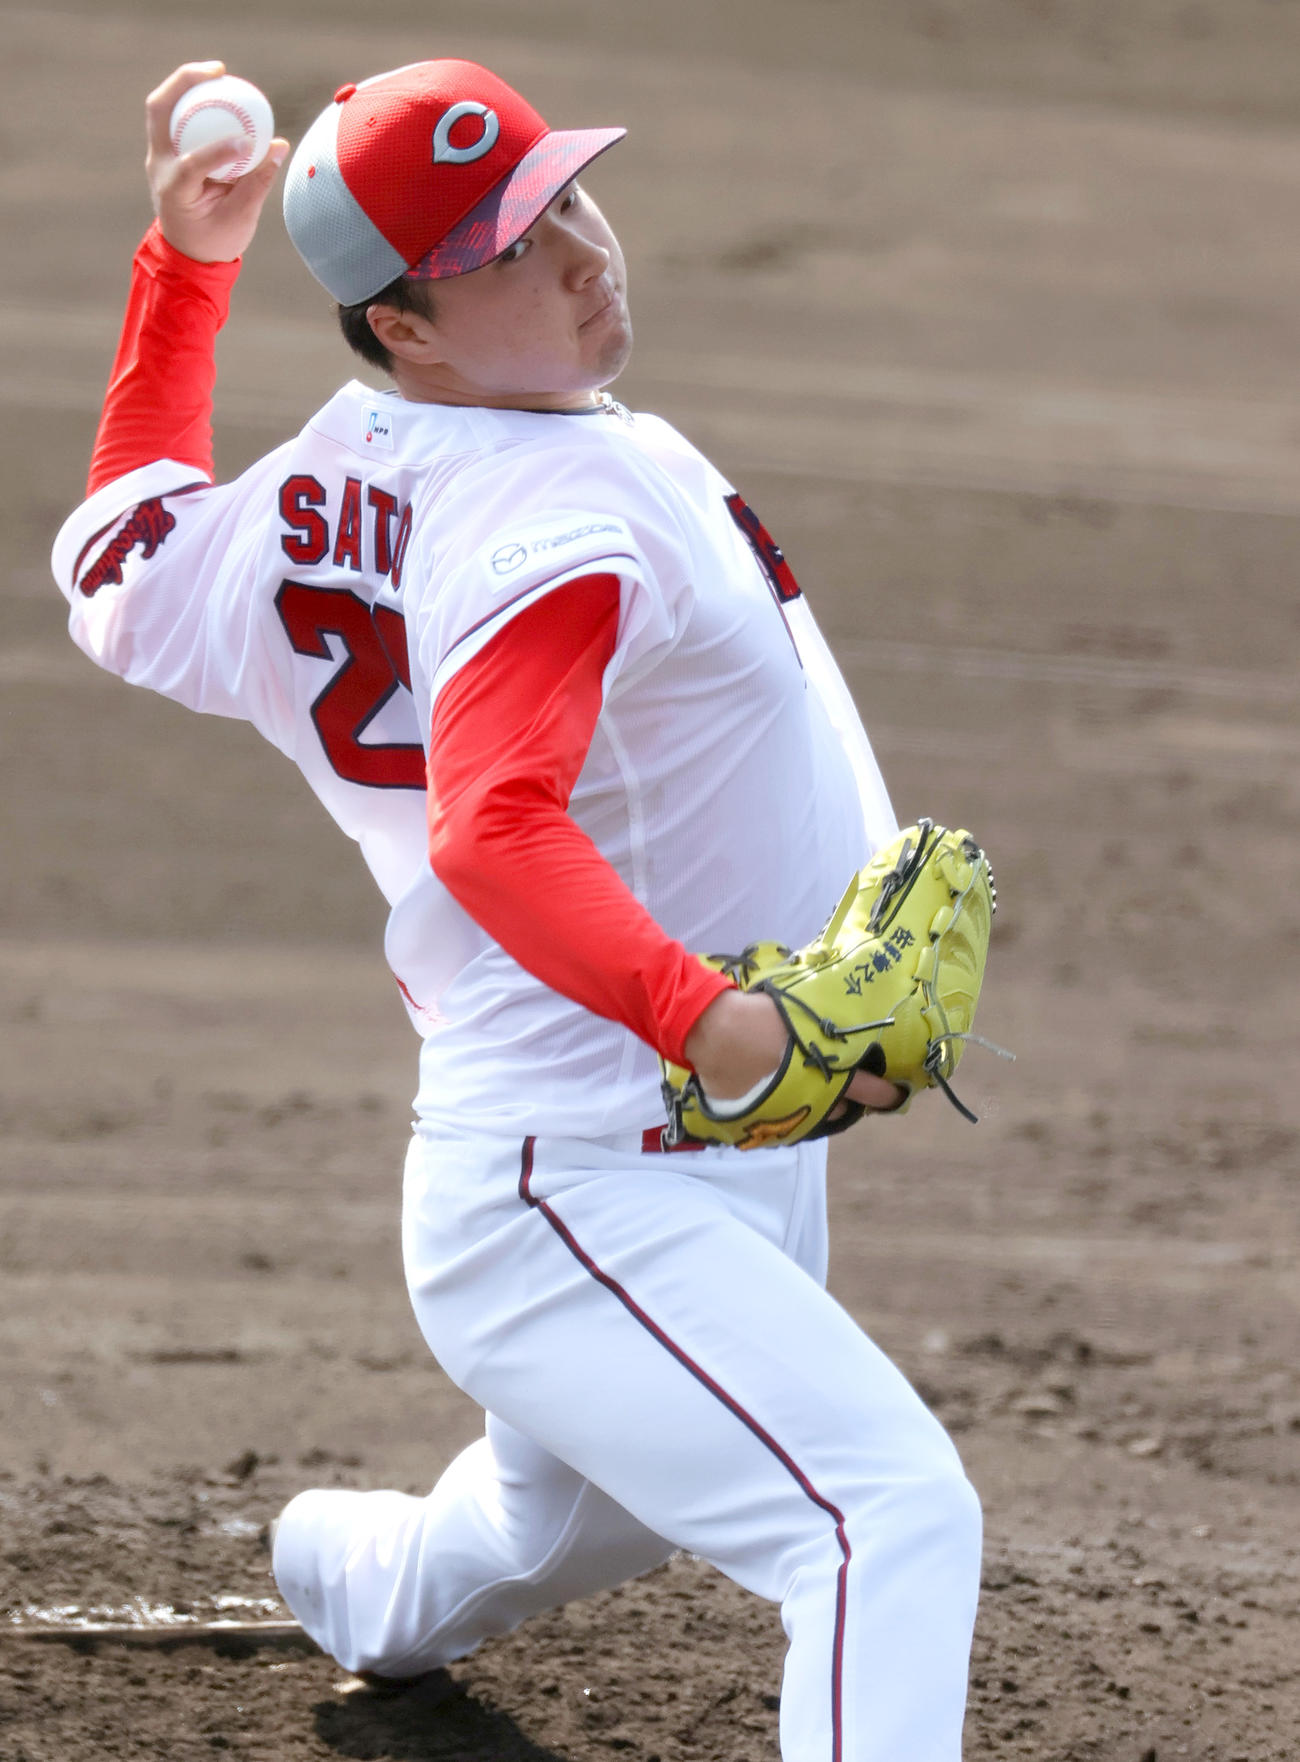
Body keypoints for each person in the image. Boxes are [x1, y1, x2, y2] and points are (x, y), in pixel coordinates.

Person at [53, 58, 984, 1762]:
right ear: (405, 326)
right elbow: (492, 827)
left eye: (563, 199)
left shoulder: (325, 487)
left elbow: (123, 549)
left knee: (553, 1526)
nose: (579, 253)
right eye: (504, 248)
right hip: (588, 1172)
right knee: (883, 1518)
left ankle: (355, 1581)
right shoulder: (546, 510)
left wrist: (186, 264)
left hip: (639, 1157)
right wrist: (710, 1017)